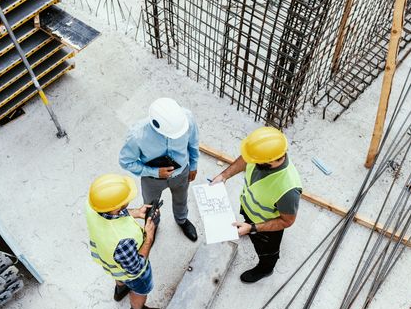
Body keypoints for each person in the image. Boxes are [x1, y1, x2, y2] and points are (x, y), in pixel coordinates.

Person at [211, 127, 302, 283]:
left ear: (270, 161)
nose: (251, 161)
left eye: (255, 160)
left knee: (267, 251)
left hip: (266, 228)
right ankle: (248, 228)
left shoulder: (288, 189)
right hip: (249, 210)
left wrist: (253, 228)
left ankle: (265, 269)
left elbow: (287, 221)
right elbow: (246, 159)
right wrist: (224, 175)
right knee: (247, 224)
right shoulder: (262, 157)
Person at [85, 173, 163, 309]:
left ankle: (120, 290)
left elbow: (111, 215)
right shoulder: (123, 241)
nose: (129, 200)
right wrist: (149, 236)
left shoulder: (91, 205)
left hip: (108, 260)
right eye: (125, 201)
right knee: (140, 289)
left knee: (119, 276)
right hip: (132, 272)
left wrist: (135, 213)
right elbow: (136, 268)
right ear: (117, 207)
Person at [119, 98, 199, 242]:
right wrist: (154, 172)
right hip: (152, 181)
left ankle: (182, 220)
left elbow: (193, 143)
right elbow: (126, 161)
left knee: (182, 199)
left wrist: (193, 165)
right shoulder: (137, 135)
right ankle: (152, 226)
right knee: (151, 206)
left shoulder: (186, 120)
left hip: (181, 174)